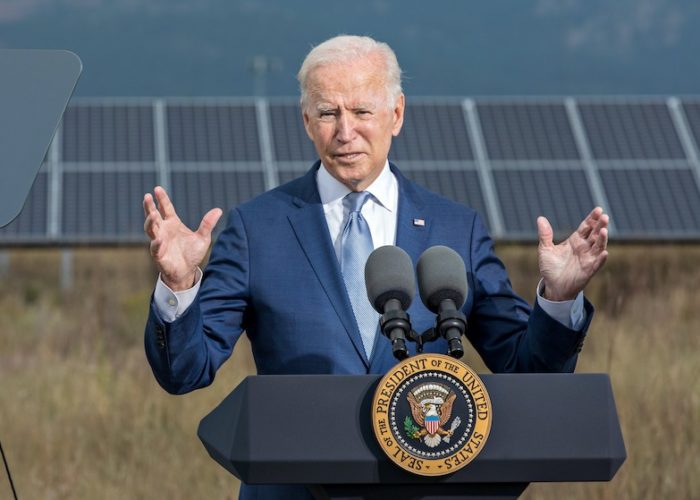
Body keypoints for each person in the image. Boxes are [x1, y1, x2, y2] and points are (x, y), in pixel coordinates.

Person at [143, 35, 608, 499]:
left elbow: (525, 372)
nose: (345, 132)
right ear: (306, 120)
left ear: (397, 114)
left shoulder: (455, 228)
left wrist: (558, 298)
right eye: (328, 113)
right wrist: (179, 284)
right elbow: (185, 371)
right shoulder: (255, 228)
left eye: (362, 112)